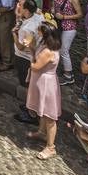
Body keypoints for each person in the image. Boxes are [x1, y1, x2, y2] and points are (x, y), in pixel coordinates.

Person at [26, 23, 62, 160]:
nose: (37, 32)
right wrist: (30, 47)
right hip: (43, 82)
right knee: (43, 111)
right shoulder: (46, 45)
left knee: (49, 116)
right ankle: (41, 132)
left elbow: (35, 66)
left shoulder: (48, 51)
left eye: (39, 31)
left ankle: (51, 147)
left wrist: (30, 61)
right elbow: (36, 54)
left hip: (46, 84)